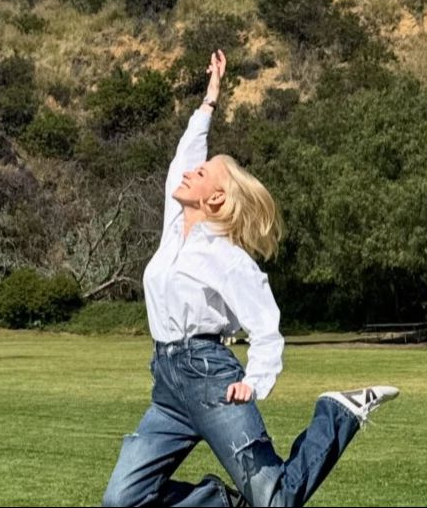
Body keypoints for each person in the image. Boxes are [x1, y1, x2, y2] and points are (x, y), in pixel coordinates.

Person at [102, 50, 400, 507]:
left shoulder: (228, 258)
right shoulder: (173, 229)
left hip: (212, 380)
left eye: (202, 173)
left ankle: (338, 413)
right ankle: (224, 502)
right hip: (167, 385)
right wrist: (209, 100)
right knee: (122, 501)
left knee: (275, 502)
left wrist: (255, 381)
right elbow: (186, 154)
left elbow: (265, 326)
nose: (190, 172)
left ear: (216, 198)